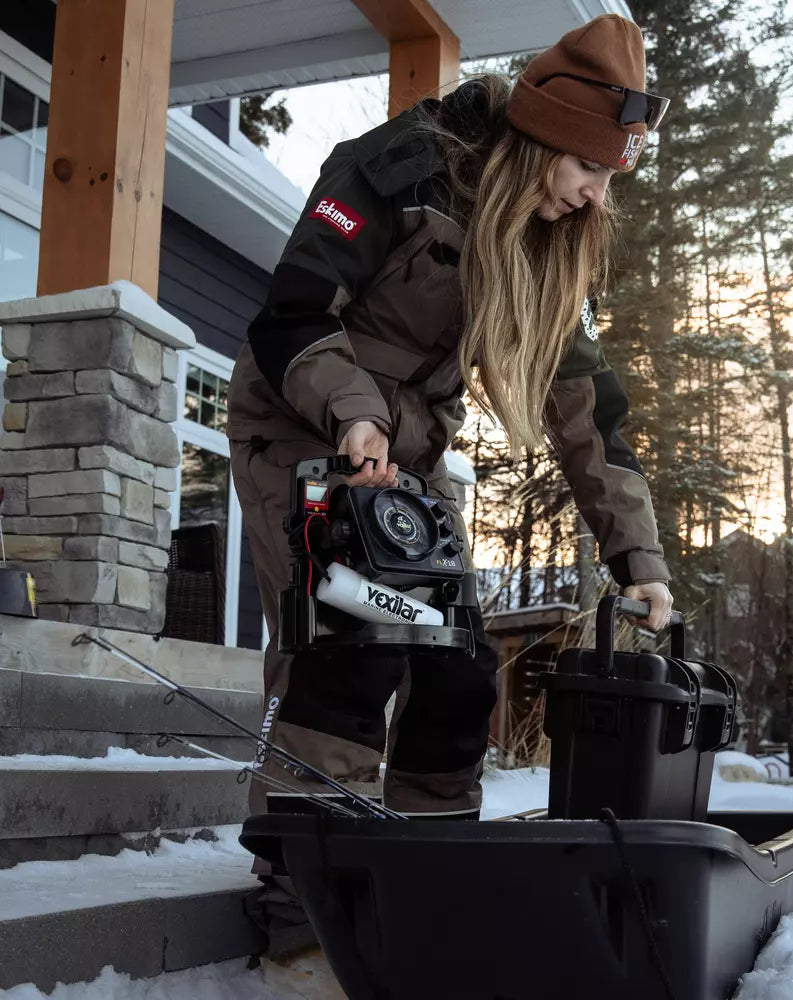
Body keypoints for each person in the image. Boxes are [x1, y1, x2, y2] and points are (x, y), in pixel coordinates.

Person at [228, 11, 672, 852]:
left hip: (410, 455)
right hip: (303, 418)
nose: (594, 194)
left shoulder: (546, 238)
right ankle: (305, 899)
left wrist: (637, 562)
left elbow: (588, 417)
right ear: (543, 140)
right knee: (345, 642)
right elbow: (289, 317)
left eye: (611, 177)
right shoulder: (397, 167)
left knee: (459, 670)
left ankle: (430, 870)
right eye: (587, 166)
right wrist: (353, 412)